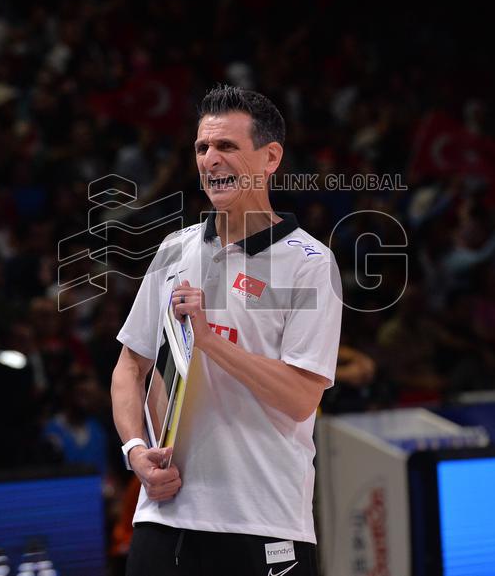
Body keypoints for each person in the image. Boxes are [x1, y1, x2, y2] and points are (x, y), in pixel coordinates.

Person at [111, 85, 343, 576]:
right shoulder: (174, 249)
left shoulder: (310, 263)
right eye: (202, 148)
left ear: (270, 157)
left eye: (227, 147)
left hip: (262, 521)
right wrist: (135, 450)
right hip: (165, 511)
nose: (210, 160)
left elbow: (302, 396)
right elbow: (130, 366)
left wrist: (210, 341)